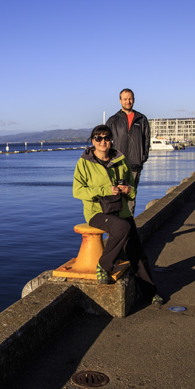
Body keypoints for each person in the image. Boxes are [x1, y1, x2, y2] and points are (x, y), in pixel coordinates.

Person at [72, 124, 164, 303]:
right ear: (93, 141)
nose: (103, 142)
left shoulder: (120, 159)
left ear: (111, 140)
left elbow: (133, 191)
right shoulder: (84, 162)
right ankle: (104, 265)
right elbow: (77, 191)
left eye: (106, 138)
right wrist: (106, 189)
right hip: (96, 212)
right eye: (98, 138)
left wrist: (127, 189)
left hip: (120, 210)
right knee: (123, 227)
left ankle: (150, 293)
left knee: (137, 254)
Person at [104, 89, 151, 189]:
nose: (128, 101)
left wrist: (143, 156)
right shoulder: (113, 120)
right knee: (116, 196)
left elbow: (146, 139)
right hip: (117, 164)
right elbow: (105, 141)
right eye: (125, 99)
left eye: (130, 99)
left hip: (135, 164)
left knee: (131, 197)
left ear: (134, 100)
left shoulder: (141, 119)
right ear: (120, 100)